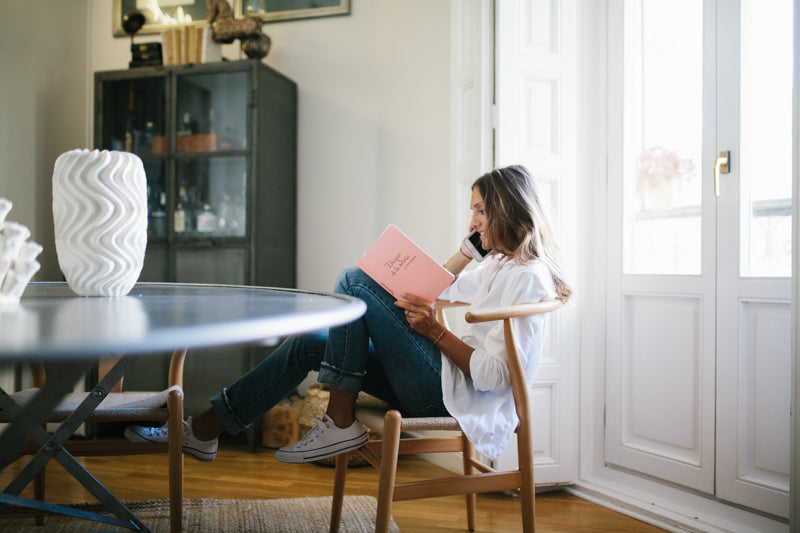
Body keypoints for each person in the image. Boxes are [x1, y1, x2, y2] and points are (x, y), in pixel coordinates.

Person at [125, 164, 572, 463]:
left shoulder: (528, 277)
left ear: (507, 209)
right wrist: (465, 251)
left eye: (479, 210)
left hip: (453, 398)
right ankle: (205, 429)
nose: (472, 219)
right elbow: (434, 289)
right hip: (440, 381)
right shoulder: (498, 264)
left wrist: (436, 334)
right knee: (309, 344)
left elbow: (496, 378)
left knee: (354, 279)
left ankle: (339, 421)